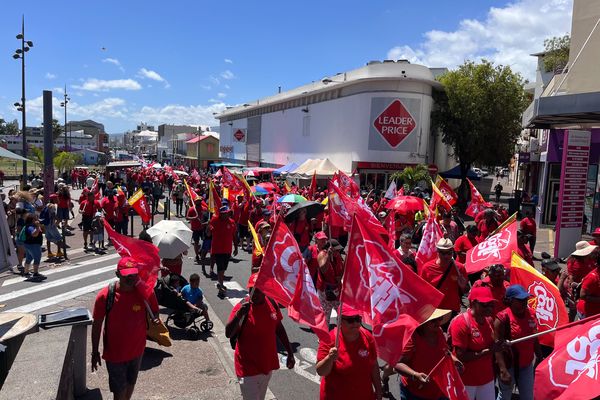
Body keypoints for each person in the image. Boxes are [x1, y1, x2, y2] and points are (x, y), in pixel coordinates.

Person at [91, 257, 160, 400]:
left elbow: (155, 313)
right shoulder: (105, 296)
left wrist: (145, 289)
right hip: (115, 355)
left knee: (130, 384)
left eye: (134, 274)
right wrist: (95, 351)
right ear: (117, 274)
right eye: (126, 274)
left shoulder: (143, 293)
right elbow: (97, 324)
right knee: (119, 392)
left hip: (137, 351)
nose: (130, 277)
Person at [225, 274, 294, 400]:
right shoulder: (242, 307)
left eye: (258, 290)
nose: (254, 294)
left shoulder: (272, 304)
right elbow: (228, 333)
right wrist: (239, 316)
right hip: (247, 368)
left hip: (266, 365)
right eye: (251, 290)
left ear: (265, 290)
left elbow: (279, 328)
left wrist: (290, 352)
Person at [388, 308, 458, 400]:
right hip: (416, 393)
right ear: (423, 322)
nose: (438, 322)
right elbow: (397, 364)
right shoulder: (413, 339)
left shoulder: (439, 331)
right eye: (433, 320)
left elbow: (444, 351)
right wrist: (415, 375)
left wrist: (454, 359)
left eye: (440, 318)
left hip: (439, 389)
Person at [316, 304, 382, 400]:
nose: (355, 323)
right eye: (350, 320)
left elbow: (374, 365)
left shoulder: (367, 336)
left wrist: (379, 391)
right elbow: (321, 371)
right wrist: (329, 358)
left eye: (358, 319)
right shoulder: (329, 339)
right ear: (339, 321)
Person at [494, 285, 542, 400]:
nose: (524, 302)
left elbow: (534, 337)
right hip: (509, 366)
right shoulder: (502, 318)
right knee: (504, 396)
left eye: (526, 299)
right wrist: (503, 370)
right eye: (520, 300)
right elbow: (497, 347)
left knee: (528, 397)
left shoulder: (531, 314)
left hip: (526, 366)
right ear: (510, 301)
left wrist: (540, 356)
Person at [448, 286, 496, 400]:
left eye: (491, 304)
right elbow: (461, 356)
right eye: (485, 305)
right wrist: (486, 352)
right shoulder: (461, 323)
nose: (489, 308)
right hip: (466, 380)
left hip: (486, 378)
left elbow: (491, 345)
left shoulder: (489, 320)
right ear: (473, 303)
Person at [420, 238, 468, 313]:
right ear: (437, 252)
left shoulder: (459, 268)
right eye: (443, 253)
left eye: (449, 253)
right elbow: (422, 291)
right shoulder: (427, 268)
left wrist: (463, 286)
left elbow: (466, 291)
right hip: (434, 309)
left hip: (452, 309)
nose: (446, 256)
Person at [210, 205, 238, 297]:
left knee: (224, 268)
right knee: (220, 267)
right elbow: (208, 232)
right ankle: (221, 284)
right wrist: (208, 228)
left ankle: (220, 280)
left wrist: (236, 247)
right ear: (220, 214)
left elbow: (234, 235)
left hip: (227, 249)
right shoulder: (214, 221)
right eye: (224, 213)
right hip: (217, 249)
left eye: (227, 213)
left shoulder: (232, 222)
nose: (226, 215)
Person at [316, 239, 345, 324]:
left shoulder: (338, 255)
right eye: (337, 249)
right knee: (325, 315)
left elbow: (342, 267)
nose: (339, 251)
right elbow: (323, 269)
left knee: (342, 313)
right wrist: (328, 255)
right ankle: (325, 334)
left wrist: (340, 276)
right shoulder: (322, 254)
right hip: (325, 291)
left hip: (337, 289)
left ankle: (340, 332)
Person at [21, 213, 46, 280]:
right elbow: (34, 234)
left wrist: (40, 226)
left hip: (29, 244)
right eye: (36, 218)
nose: (37, 220)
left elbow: (43, 232)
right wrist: (38, 227)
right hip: (33, 245)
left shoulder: (31, 226)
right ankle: (35, 273)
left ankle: (26, 272)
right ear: (32, 220)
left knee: (29, 258)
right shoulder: (30, 227)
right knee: (37, 257)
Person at [42, 194, 65, 259]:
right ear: (54, 199)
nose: (57, 199)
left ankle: (49, 253)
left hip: (46, 224)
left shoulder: (47, 205)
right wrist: (58, 220)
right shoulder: (53, 206)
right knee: (59, 238)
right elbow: (53, 215)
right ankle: (59, 252)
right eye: (56, 198)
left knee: (48, 239)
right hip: (51, 224)